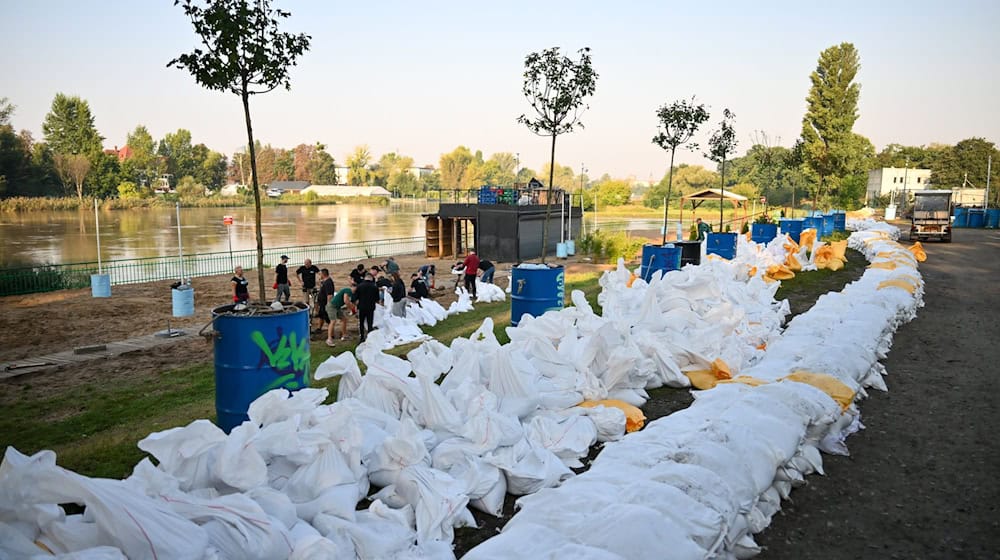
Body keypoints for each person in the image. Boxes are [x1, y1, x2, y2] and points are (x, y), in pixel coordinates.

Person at [354, 274, 379, 342]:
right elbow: (377, 299)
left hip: (361, 307)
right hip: (371, 307)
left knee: (361, 322)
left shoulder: (360, 286)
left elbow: (355, 297)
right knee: (370, 323)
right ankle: (370, 337)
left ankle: (362, 337)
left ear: (365, 278)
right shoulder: (374, 287)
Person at [315, 268, 335, 333]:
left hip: (325, 304)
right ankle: (319, 328)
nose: (319, 275)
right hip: (322, 303)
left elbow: (329, 295)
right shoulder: (325, 281)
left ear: (323, 274)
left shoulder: (328, 283)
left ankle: (331, 333)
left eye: (320, 274)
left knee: (328, 319)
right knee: (321, 316)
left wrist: (328, 304)